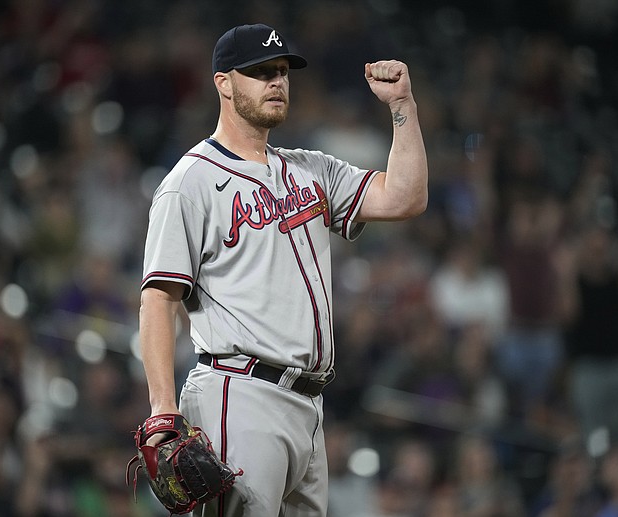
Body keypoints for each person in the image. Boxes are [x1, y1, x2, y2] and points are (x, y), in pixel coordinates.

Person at [137, 22, 428, 516]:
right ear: (223, 83)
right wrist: (163, 409)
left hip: (309, 407)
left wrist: (403, 108)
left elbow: (406, 197)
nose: (276, 81)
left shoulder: (309, 168)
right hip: (240, 394)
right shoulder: (189, 182)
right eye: (259, 72)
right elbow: (158, 298)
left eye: (282, 70)